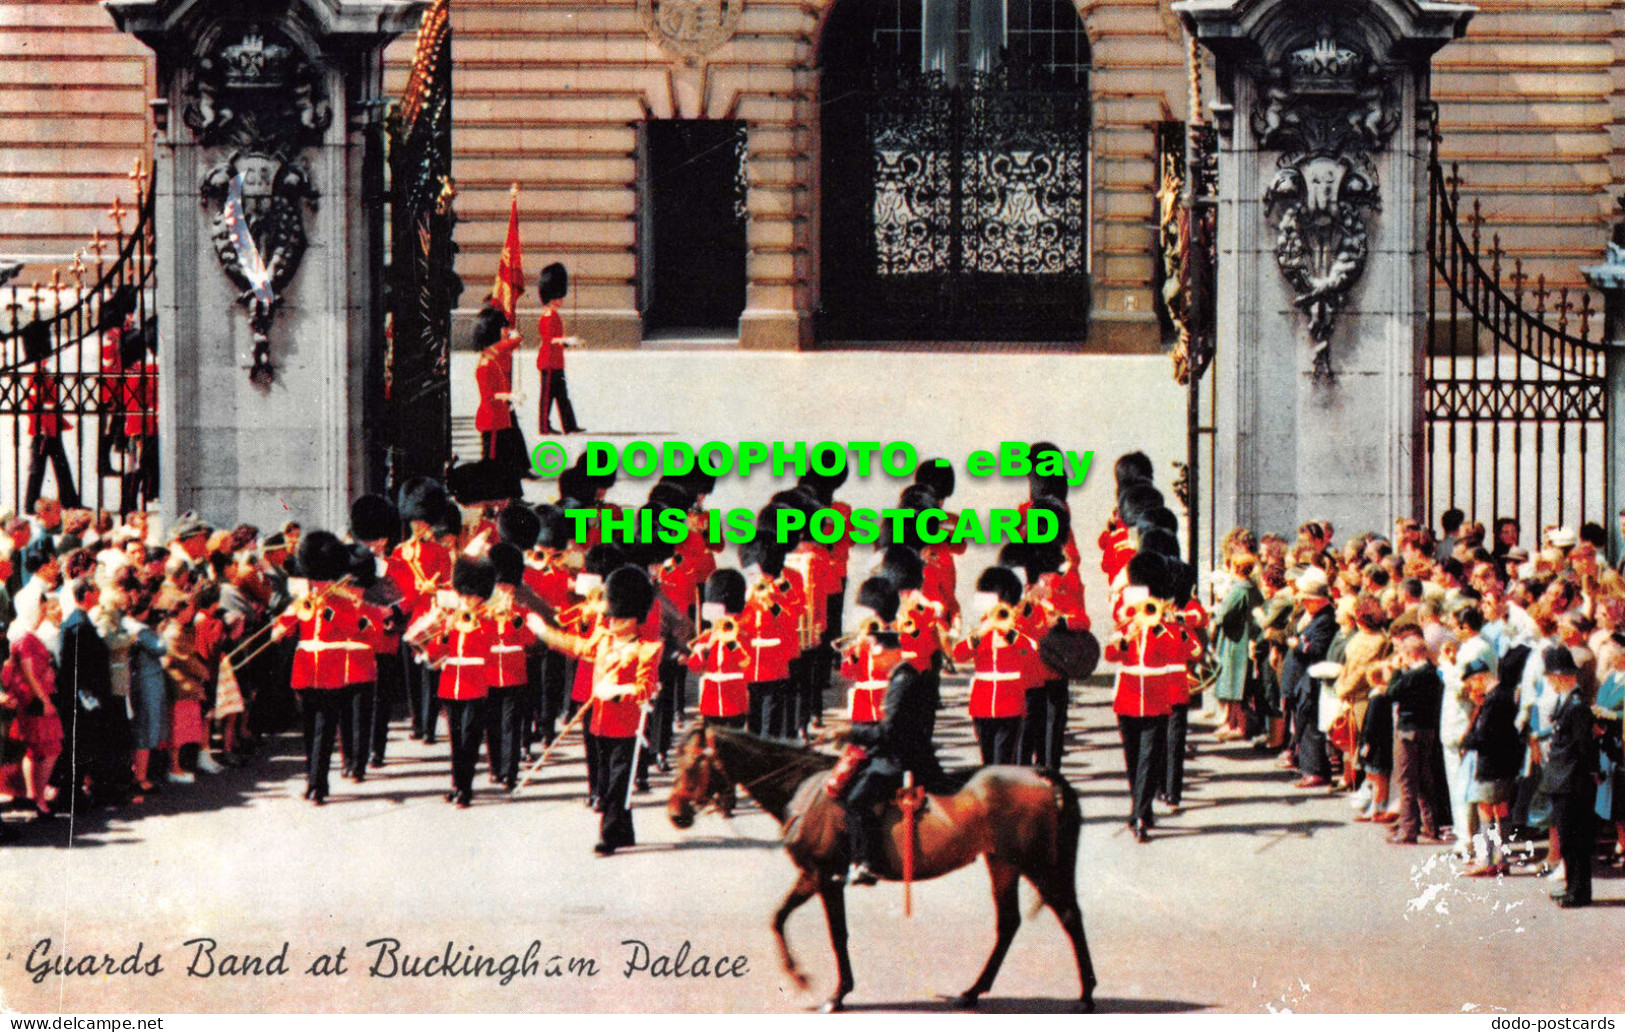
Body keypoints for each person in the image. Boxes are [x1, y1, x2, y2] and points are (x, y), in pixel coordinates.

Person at [533, 566, 663, 855]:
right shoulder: (603, 640)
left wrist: (619, 691)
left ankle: (609, 835)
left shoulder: (648, 649)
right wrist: (545, 632)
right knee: (605, 778)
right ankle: (625, 830)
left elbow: (646, 687)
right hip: (600, 723)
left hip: (627, 725)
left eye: (619, 617)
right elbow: (577, 645)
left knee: (617, 783)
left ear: (634, 618)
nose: (612, 620)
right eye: (612, 615)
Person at [838, 609, 944, 886]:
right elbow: (848, 673)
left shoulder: (902, 680)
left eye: (876, 652)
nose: (874, 657)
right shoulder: (901, 676)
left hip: (899, 756)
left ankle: (868, 862)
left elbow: (888, 731)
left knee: (856, 799)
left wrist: (848, 731)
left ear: (889, 652)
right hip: (891, 744)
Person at [421, 558, 500, 808]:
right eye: (464, 595)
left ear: (480, 597)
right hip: (450, 684)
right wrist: (444, 632)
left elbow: (488, 649)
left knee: (469, 739)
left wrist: (473, 625)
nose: (466, 600)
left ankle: (465, 789)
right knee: (456, 741)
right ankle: (457, 785)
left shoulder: (487, 620)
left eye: (472, 596)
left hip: (475, 686)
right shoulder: (450, 620)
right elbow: (434, 653)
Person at [951, 566, 1043, 766]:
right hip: (982, 706)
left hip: (1010, 705)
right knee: (987, 763)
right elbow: (958, 654)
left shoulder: (1015, 628)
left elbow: (1031, 656)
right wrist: (983, 631)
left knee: (1002, 763)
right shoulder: (981, 630)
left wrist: (1009, 633)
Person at [1540, 645, 1599, 907]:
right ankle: (1572, 886)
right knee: (1568, 839)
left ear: (1561, 675)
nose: (1550, 683)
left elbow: (1584, 746)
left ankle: (1579, 891)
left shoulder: (1576, 706)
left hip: (1572, 782)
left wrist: (1591, 773)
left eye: (1551, 677)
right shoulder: (1568, 703)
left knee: (1575, 840)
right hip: (1564, 780)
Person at [1380, 616, 1447, 845]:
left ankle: (1408, 829)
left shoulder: (1411, 676)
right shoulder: (1433, 674)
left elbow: (1392, 693)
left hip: (1408, 730)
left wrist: (1397, 671)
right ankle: (1431, 825)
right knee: (1426, 779)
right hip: (1427, 729)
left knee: (1407, 780)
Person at [20, 322, 80, 511]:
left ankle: (68, 500)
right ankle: (31, 504)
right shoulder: (36, 376)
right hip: (44, 428)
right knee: (39, 470)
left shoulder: (44, 374)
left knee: (60, 468)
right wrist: (42, 424)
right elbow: (35, 405)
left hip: (52, 426)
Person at [471, 305, 529, 495]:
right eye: (501, 328)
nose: (504, 331)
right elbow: (490, 396)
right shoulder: (488, 361)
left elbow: (514, 341)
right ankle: (489, 499)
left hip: (500, 418)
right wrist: (511, 396)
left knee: (509, 462)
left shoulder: (491, 356)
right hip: (492, 421)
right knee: (492, 465)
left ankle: (514, 497)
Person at [685, 569, 752, 729]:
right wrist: (707, 647)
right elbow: (694, 666)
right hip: (711, 700)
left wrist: (731, 643)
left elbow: (746, 663)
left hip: (735, 699)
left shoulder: (741, 633)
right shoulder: (708, 636)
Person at [535, 263, 583, 434]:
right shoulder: (548, 316)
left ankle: (569, 425)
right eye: (559, 297)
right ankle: (544, 426)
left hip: (555, 362)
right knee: (547, 397)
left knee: (562, 396)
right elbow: (550, 339)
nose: (561, 300)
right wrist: (567, 340)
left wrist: (568, 342)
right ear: (552, 297)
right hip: (548, 362)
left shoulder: (553, 314)